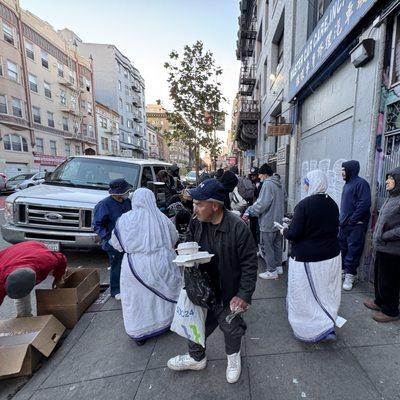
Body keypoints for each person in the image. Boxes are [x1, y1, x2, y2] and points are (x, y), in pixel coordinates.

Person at [167, 179, 257, 384]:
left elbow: (250, 265)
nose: (194, 208)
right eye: (194, 203)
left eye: (199, 204)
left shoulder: (238, 228)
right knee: (194, 324)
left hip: (227, 291)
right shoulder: (196, 221)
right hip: (200, 287)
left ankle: (233, 360)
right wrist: (184, 252)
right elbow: (188, 240)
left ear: (215, 205)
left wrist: (243, 295)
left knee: (231, 328)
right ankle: (196, 358)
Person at [110, 188, 182, 345]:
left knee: (138, 300)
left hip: (135, 265)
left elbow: (117, 243)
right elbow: (174, 237)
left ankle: (140, 332)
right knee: (161, 298)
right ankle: (167, 322)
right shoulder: (162, 218)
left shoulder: (125, 219)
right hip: (162, 261)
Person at [283, 170, 341, 342]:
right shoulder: (333, 203)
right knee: (326, 292)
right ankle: (328, 322)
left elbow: (295, 233)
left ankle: (311, 328)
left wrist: (284, 230)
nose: (305, 186)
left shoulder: (304, 205)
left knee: (304, 294)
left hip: (309, 259)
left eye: (306, 183)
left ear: (312, 183)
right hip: (331, 257)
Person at [364, 168, 400, 322]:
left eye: (391, 178)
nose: (387, 181)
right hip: (382, 247)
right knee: (379, 277)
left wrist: (384, 236)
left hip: (393, 250)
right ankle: (379, 301)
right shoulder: (392, 197)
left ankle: (391, 311)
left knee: (389, 281)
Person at [0, 241, 67, 317]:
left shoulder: (46, 260)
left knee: (22, 286)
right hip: (8, 257)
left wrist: (58, 278)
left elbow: (61, 259)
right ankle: (25, 317)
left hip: (34, 246)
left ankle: (24, 318)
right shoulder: (1, 279)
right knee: (20, 289)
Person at [93, 178, 132, 300]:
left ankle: (125, 287)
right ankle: (115, 290)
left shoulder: (127, 202)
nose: (128, 193)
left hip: (127, 239)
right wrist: (108, 238)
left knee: (126, 264)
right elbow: (97, 225)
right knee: (116, 264)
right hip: (112, 242)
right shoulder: (104, 205)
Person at [244, 163, 285, 280]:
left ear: (265, 174)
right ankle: (278, 267)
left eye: (260, 174)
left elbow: (262, 204)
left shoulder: (267, 184)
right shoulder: (279, 183)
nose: (259, 177)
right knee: (277, 244)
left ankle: (271, 270)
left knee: (267, 246)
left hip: (268, 221)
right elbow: (285, 198)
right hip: (278, 220)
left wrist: (250, 211)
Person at [339, 160, 371, 291]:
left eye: (344, 170)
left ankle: (350, 275)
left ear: (350, 170)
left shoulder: (361, 184)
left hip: (356, 225)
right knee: (342, 248)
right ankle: (343, 271)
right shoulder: (347, 184)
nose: (342, 173)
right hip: (344, 225)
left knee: (353, 249)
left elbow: (364, 204)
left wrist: (352, 220)